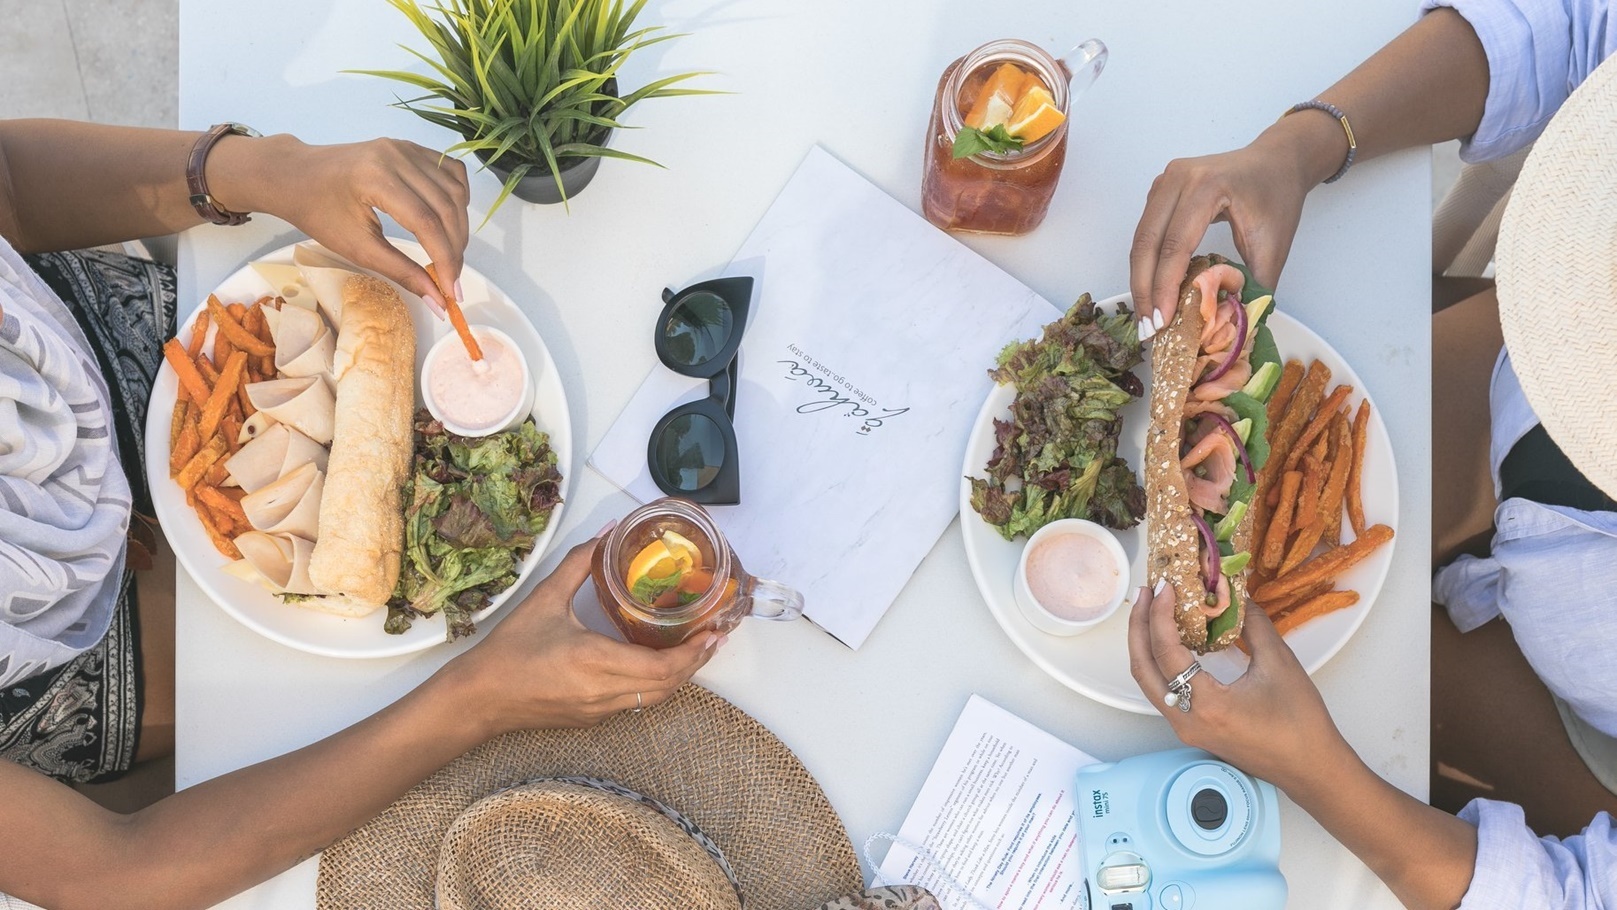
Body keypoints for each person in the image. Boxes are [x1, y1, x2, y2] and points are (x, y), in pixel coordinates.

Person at [0, 120, 720, 909]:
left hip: (184, 339)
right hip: (120, 664)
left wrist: (262, 169)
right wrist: (479, 699)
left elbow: (8, 183)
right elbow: (113, 875)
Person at [1127, 0, 1617, 903]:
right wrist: (1304, 144)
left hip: (1563, 721)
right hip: (1500, 405)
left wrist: (1313, 769)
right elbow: (1580, 26)